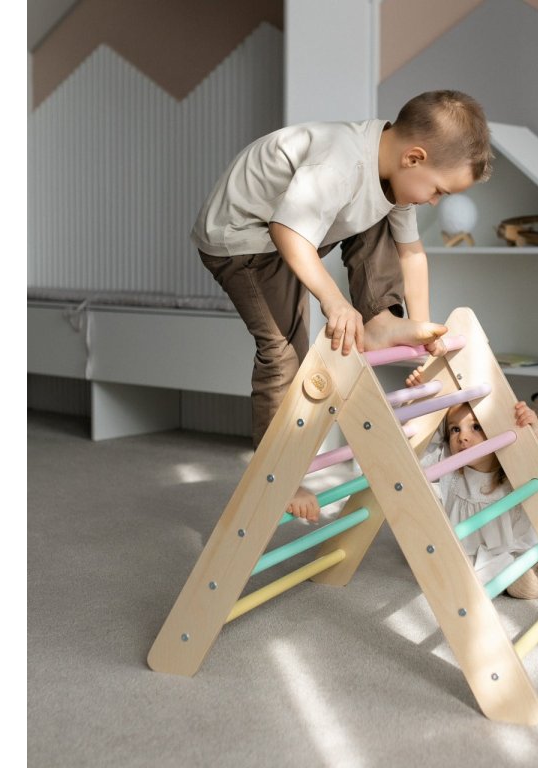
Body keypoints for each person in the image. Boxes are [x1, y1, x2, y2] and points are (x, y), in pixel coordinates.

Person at [191, 90, 493, 520]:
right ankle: (278, 472)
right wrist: (335, 302)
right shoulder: (340, 163)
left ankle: (381, 321)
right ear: (414, 158)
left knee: (382, 214)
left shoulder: (394, 175)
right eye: (438, 191)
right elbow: (286, 230)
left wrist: (422, 329)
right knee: (283, 352)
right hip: (243, 238)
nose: (434, 202)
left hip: (293, 230)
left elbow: (411, 252)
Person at [408, 371, 538, 599]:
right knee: (428, 558)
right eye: (455, 429)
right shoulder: (447, 462)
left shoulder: (517, 466)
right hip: (475, 556)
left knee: (521, 587)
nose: (462, 437)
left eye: (476, 427)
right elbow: (413, 455)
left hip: (523, 553)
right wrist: (421, 402)